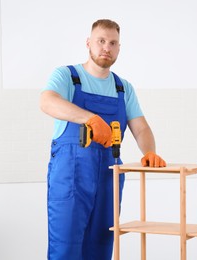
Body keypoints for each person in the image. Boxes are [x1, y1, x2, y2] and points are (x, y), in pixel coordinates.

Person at [40, 19, 166, 260]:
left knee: (100, 247)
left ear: (119, 48)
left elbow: (140, 128)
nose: (106, 47)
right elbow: (47, 101)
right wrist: (90, 119)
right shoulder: (67, 76)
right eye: (101, 41)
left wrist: (149, 151)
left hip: (108, 177)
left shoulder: (123, 88)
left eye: (112, 43)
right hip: (70, 177)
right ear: (89, 43)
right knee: (65, 247)